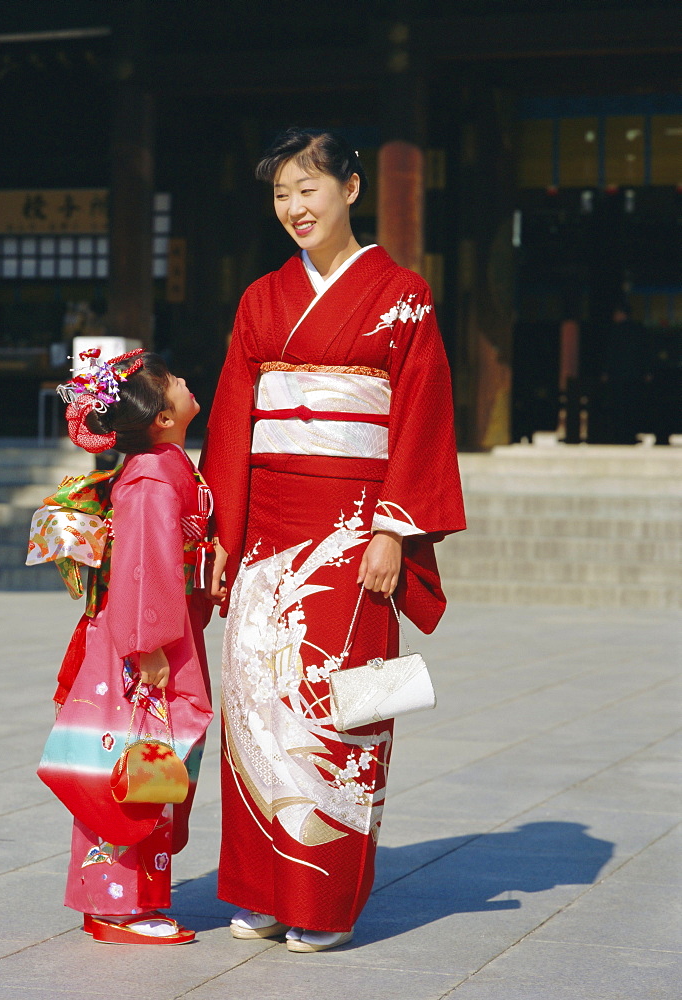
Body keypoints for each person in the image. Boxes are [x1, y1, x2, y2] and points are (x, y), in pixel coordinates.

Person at [200, 128, 466, 953]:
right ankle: (259, 889)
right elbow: (234, 423)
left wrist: (395, 528)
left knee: (332, 710)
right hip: (264, 530)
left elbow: (421, 415)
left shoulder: (403, 295)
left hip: (351, 532)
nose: (294, 208)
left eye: (308, 188)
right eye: (281, 194)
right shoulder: (260, 299)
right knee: (254, 705)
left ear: (352, 187)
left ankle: (321, 901)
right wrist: (221, 533)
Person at [36, 349, 214, 945]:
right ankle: (118, 908)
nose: (189, 381)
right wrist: (151, 645)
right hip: (141, 645)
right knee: (130, 769)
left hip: (157, 635)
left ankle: (129, 902)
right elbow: (144, 566)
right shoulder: (150, 477)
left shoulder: (164, 465)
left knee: (151, 768)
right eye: (177, 381)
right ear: (162, 417)